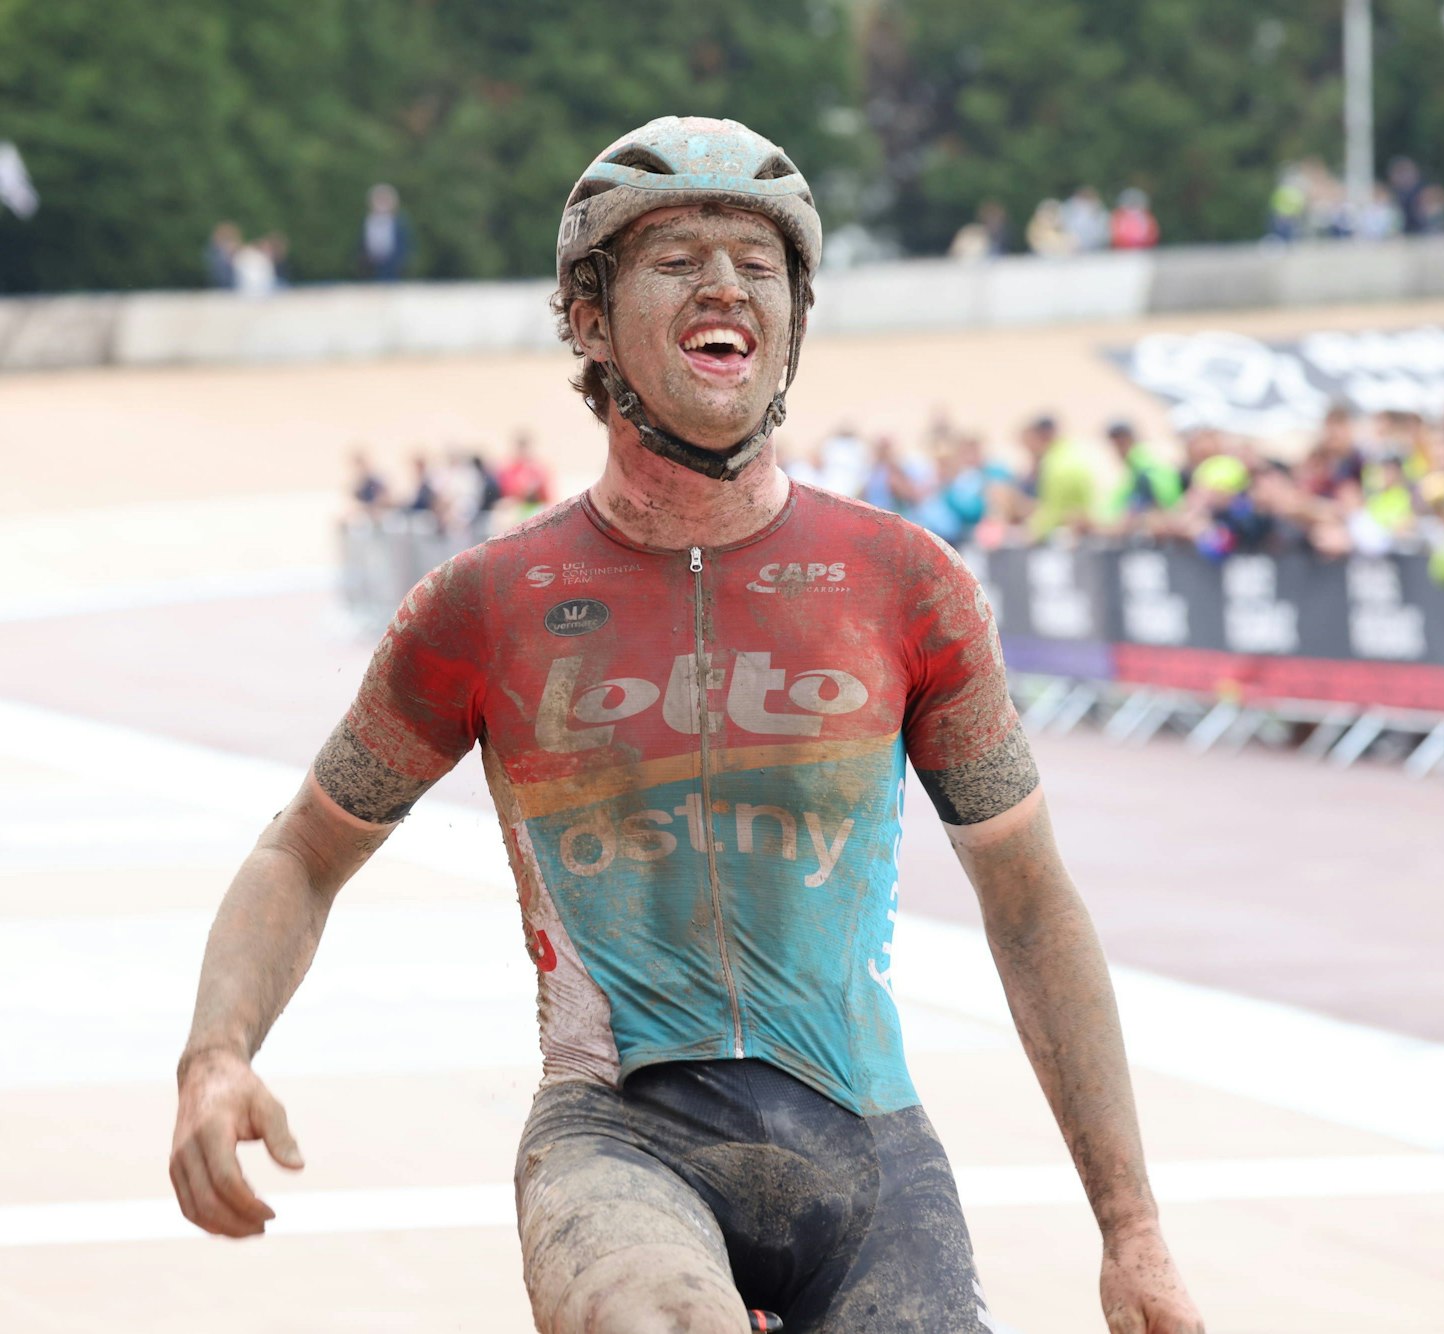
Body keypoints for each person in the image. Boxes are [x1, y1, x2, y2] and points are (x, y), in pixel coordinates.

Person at [167, 114, 1202, 1334]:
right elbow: (302, 849)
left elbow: (1030, 901)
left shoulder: (909, 584)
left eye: (759, 264)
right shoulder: (485, 605)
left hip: (867, 1143)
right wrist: (215, 1053)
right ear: (590, 316)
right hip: (616, 1137)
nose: (725, 284)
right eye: (677, 258)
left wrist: (1132, 1229)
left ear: (797, 318)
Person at [360, 182, 412, 281]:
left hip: (392, 266)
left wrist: (399, 261)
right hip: (372, 265)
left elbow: (404, 244)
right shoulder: (368, 221)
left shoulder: (400, 222)